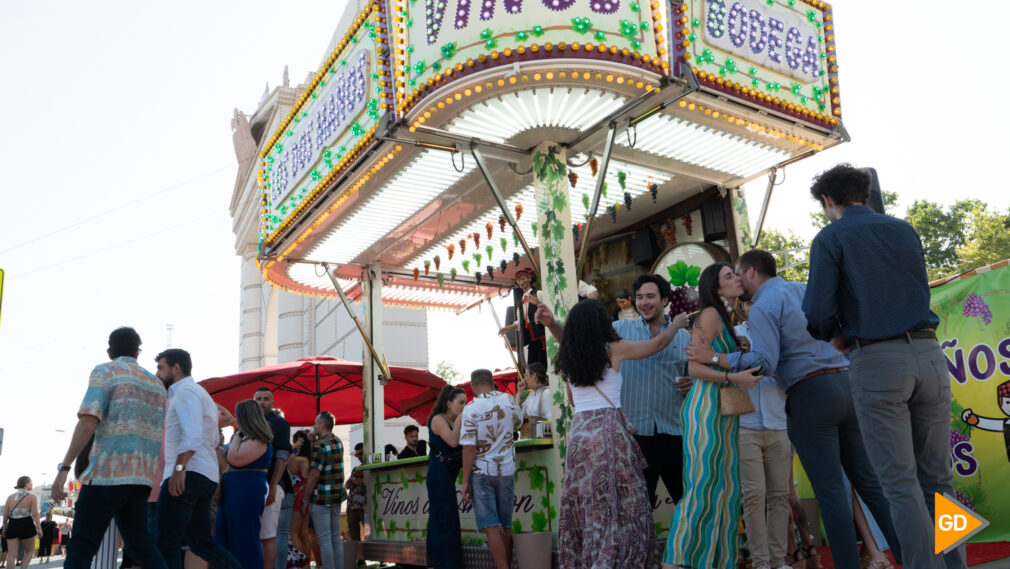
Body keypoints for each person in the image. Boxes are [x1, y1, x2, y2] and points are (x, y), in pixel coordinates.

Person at [688, 250, 899, 569]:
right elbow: (841, 336)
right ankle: (914, 557)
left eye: (739, 274)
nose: (738, 281)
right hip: (845, 383)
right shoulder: (805, 290)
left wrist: (719, 359)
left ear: (752, 274)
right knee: (870, 485)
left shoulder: (762, 307)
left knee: (831, 494)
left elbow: (765, 362)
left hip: (811, 395)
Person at [801, 164, 962, 569]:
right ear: (864, 192)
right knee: (940, 481)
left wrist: (835, 335)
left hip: (877, 361)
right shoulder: (903, 229)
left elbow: (818, 311)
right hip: (929, 353)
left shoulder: (830, 237)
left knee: (900, 484)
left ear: (827, 200)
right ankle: (955, 565)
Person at [540, 298, 708, 568]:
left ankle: (591, 559)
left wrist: (552, 326)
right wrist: (676, 325)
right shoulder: (613, 350)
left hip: (580, 434)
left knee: (586, 504)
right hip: (608, 432)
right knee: (625, 502)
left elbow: (573, 401)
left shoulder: (568, 357)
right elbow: (657, 345)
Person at [665, 264, 761, 569]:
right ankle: (675, 561)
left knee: (724, 490)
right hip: (706, 410)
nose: (737, 278)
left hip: (721, 411)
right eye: (729, 276)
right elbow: (694, 369)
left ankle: (714, 561)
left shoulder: (722, 315)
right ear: (716, 288)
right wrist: (736, 378)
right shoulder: (709, 314)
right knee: (703, 488)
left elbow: (714, 358)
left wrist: (737, 347)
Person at [52, 327, 168, 569]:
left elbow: (88, 420)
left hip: (106, 475)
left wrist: (65, 467)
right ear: (138, 351)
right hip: (140, 479)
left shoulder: (105, 371)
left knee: (81, 547)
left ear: (109, 351)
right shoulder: (156, 384)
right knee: (142, 547)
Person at [153, 349, 243, 569]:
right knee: (201, 544)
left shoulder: (185, 391)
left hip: (187, 474)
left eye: (161, 368)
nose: (157, 373)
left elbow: (192, 435)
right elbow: (210, 438)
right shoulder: (199, 394)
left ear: (176, 367)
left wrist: (179, 469)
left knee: (165, 543)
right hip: (203, 475)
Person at [611, 274, 691, 507]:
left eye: (650, 296)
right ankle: (643, 546)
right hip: (635, 435)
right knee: (637, 509)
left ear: (665, 300)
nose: (643, 302)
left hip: (674, 432)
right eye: (639, 297)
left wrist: (693, 384)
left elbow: (697, 376)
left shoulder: (685, 336)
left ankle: (685, 545)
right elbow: (583, 343)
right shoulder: (620, 329)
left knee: (687, 505)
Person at [734, 301, 791, 569]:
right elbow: (720, 372)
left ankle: (778, 561)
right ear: (740, 305)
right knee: (753, 495)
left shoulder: (783, 333)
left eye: (757, 301)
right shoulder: (732, 333)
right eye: (747, 301)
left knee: (780, 495)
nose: (752, 306)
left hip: (779, 422)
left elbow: (793, 372)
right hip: (744, 424)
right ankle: (761, 563)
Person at [459, 370, 523, 569]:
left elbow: (469, 448)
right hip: (506, 471)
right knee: (506, 524)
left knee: (491, 526)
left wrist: (465, 480)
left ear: (472, 386)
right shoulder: (509, 400)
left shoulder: (471, 408)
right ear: (492, 382)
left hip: (481, 473)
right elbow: (519, 423)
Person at [215, 400, 273, 569]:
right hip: (233, 492)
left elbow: (234, 458)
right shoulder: (245, 438)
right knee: (224, 537)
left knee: (243, 540)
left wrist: (238, 435)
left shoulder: (260, 438)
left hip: (246, 492)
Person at [426, 386, 466, 569]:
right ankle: (444, 563)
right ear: (449, 403)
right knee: (444, 521)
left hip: (447, 475)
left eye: (465, 403)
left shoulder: (452, 420)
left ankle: (446, 562)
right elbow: (452, 441)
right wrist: (460, 420)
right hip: (439, 475)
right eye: (461, 403)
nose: (464, 407)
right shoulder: (438, 419)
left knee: (446, 519)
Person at [253, 387, 294, 569]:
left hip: (273, 486)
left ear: (272, 403)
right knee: (265, 535)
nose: (262, 402)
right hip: (257, 485)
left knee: (272, 536)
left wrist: (274, 484)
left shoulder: (279, 423)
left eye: (266, 399)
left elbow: (282, 456)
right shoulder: (251, 423)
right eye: (259, 399)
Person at [300, 412, 345, 569]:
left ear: (322, 425)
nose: (313, 426)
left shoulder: (320, 446)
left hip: (321, 497)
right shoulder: (337, 441)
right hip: (337, 495)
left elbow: (314, 473)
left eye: (315, 423)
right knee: (335, 537)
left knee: (324, 539)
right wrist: (313, 443)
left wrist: (305, 499)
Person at [287, 431, 313, 567]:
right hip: (306, 496)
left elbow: (283, 456)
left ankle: (302, 564)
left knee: (294, 533)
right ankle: (307, 565)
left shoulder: (297, 459)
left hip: (297, 496)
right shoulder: (308, 459)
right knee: (304, 533)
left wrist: (292, 447)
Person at [3, 477, 41, 568]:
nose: (32, 484)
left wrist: (4, 528)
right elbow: (35, 514)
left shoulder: (10, 497)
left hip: (12, 524)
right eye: (31, 482)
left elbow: (5, 516)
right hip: (26, 524)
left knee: (11, 554)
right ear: (26, 484)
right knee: (29, 552)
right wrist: (39, 528)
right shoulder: (32, 497)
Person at [515, 362, 550, 437]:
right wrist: (519, 392)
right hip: (533, 438)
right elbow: (518, 415)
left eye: (526, 375)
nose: (524, 379)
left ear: (533, 375)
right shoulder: (531, 395)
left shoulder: (546, 393)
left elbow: (551, 419)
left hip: (544, 440)